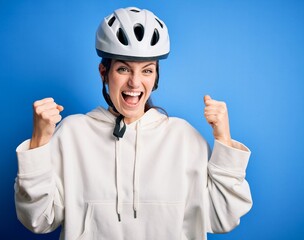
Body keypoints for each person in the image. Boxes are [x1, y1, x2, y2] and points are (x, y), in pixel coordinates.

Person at [14, 7, 252, 240]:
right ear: (103, 72)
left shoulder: (184, 138)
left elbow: (222, 219)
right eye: (123, 69)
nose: (135, 83)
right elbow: (38, 220)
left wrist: (224, 140)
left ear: (156, 77)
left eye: (147, 71)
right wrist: (40, 141)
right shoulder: (71, 134)